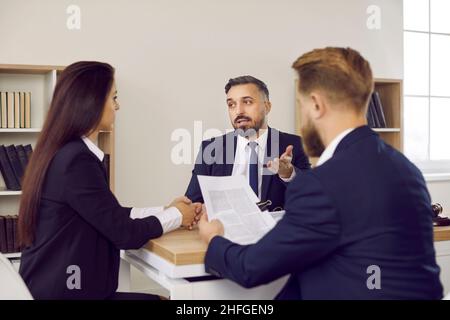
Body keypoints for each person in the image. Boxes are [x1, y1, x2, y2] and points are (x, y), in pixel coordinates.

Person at [198, 47, 443, 299]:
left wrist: (213, 239)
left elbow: (249, 268)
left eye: (301, 105)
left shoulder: (321, 185)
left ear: (315, 104)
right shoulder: (407, 169)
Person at [18, 61, 201, 300]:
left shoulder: (64, 151)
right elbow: (125, 234)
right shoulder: (76, 161)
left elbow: (108, 215)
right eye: (113, 98)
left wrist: (166, 210)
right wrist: (177, 215)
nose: (118, 106)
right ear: (91, 102)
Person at [185, 76, 310, 211]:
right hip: (226, 230)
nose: (238, 111)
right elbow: (193, 202)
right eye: (231, 105)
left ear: (267, 107)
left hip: (276, 230)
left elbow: (311, 198)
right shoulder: (210, 149)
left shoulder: (295, 145)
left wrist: (288, 174)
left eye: (248, 102)